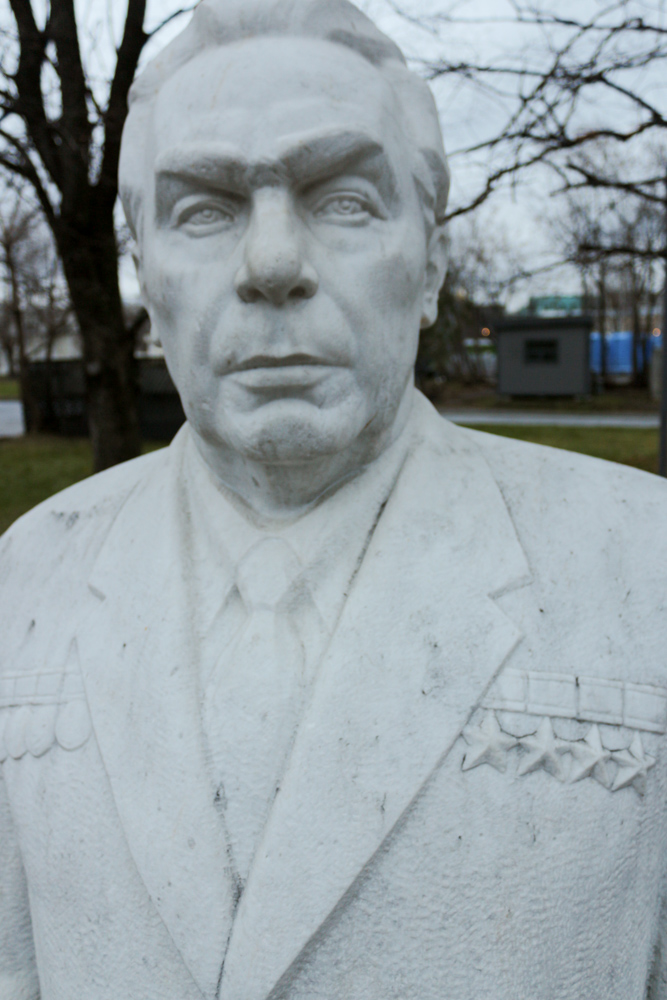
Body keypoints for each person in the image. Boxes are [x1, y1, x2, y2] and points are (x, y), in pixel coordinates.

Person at [1, 1, 667, 997]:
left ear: (433, 260)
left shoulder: (640, 562)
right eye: (203, 209)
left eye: (344, 198)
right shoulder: (28, 575)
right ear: (146, 270)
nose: (273, 265)